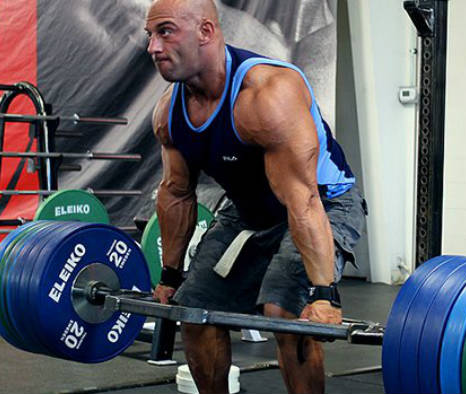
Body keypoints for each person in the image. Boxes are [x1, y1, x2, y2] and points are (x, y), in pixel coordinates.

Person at [145, 0, 366, 393]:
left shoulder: (267, 94)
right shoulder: (170, 113)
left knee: (285, 311)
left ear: (206, 32)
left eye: (165, 32)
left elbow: (304, 200)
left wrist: (323, 294)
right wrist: (170, 277)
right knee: (195, 310)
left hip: (323, 204)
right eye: (151, 36)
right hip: (248, 213)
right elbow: (177, 193)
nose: (153, 48)